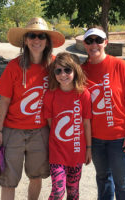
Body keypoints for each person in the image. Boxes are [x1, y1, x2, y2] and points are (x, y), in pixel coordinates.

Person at [0, 17, 65, 200]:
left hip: (41, 131)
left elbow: (73, 87)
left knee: (36, 175)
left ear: (47, 41)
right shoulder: (14, 67)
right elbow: (4, 101)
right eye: (32, 35)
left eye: (41, 36)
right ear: (25, 40)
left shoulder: (56, 66)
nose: (36, 40)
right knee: (9, 179)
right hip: (13, 131)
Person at [81, 26, 125, 200]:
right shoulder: (80, 71)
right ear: (84, 44)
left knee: (123, 184)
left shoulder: (120, 66)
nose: (94, 44)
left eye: (98, 40)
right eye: (89, 41)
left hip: (119, 138)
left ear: (106, 43)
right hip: (95, 139)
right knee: (103, 180)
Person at [43, 52, 92, 200]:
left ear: (75, 70)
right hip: (57, 153)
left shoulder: (83, 94)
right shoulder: (50, 95)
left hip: (77, 151)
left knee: (73, 191)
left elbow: (86, 123)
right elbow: (51, 124)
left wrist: (88, 148)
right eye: (58, 71)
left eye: (67, 70)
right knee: (58, 191)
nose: (63, 74)